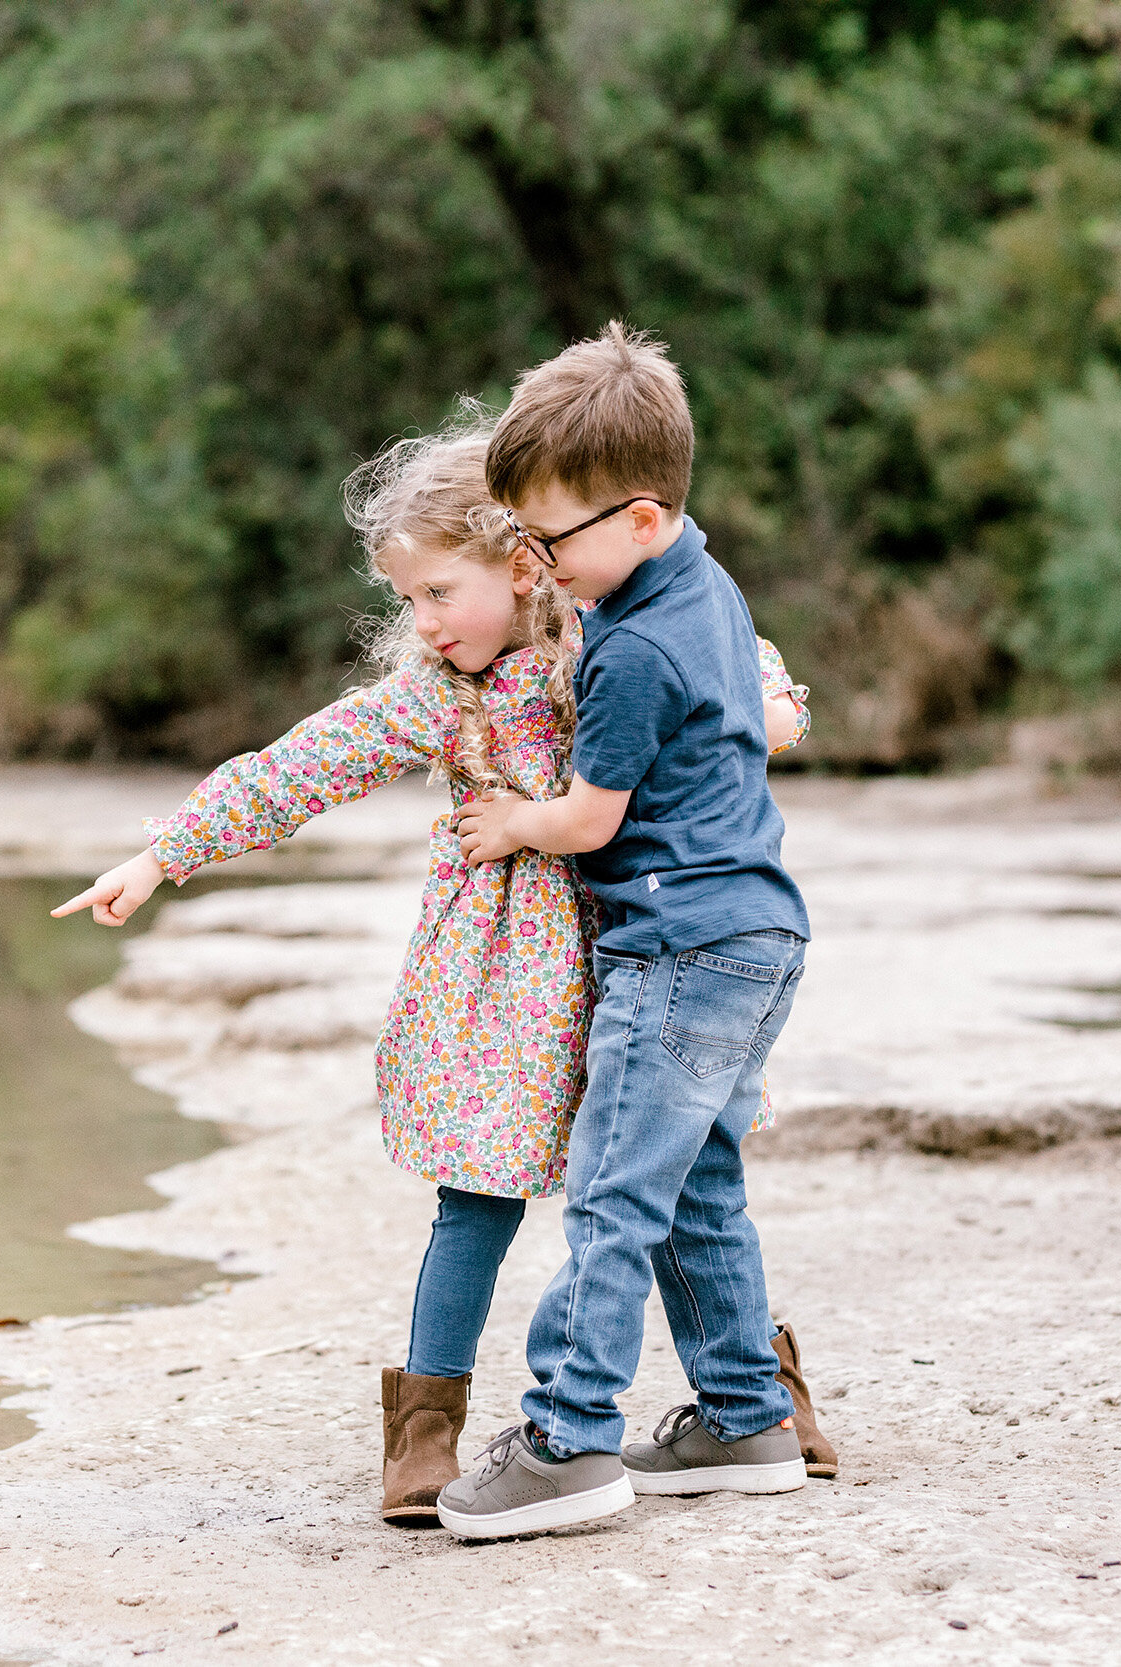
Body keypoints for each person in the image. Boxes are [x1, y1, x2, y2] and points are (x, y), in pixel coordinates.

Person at [52, 418, 820, 1529]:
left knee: (684, 1179)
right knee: (477, 1191)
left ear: (524, 565)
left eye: (437, 593)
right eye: (407, 599)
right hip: (507, 978)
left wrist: (770, 710)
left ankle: (758, 1399)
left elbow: (751, 683)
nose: (420, 622)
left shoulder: (621, 635)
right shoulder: (436, 697)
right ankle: (424, 1431)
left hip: (649, 948)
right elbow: (300, 764)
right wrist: (165, 850)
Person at [434, 322, 817, 1540]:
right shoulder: (705, 579)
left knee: (609, 1193)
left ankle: (567, 1438)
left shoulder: (634, 649)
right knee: (698, 1184)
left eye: (550, 541)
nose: (537, 568)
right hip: (757, 933)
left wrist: (508, 823)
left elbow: (594, 820)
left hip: (676, 944)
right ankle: (744, 1413)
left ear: (640, 518)